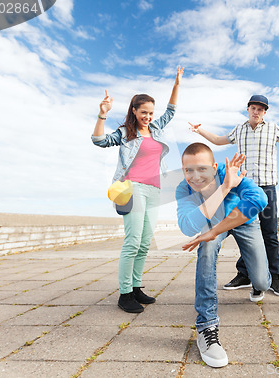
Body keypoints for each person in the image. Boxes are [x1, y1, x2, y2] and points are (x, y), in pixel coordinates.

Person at [189, 95, 279, 297]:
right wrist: (199, 130)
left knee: (269, 234)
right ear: (248, 109)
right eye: (254, 108)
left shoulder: (273, 129)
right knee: (245, 232)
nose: (257, 112)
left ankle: (275, 277)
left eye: (261, 109)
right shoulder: (239, 130)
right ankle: (244, 275)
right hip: (244, 188)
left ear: (265, 112)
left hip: (267, 187)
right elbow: (219, 140)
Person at [91, 66, 184, 313]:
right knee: (132, 241)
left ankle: (135, 287)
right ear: (134, 111)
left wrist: (176, 84)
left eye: (151, 113)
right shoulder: (125, 133)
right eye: (144, 112)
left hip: (155, 190)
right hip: (132, 190)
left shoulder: (155, 129)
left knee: (144, 243)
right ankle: (124, 294)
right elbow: (99, 140)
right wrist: (102, 115)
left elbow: (171, 111)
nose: (148, 117)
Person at [176, 142, 271, 368]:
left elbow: (260, 200)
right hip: (214, 222)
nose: (195, 176)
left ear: (214, 166)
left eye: (202, 169)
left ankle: (258, 281)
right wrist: (224, 188)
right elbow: (188, 226)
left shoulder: (229, 172)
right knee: (206, 247)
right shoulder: (184, 188)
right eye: (189, 170)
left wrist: (228, 184)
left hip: (243, 220)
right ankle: (206, 325)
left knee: (261, 282)